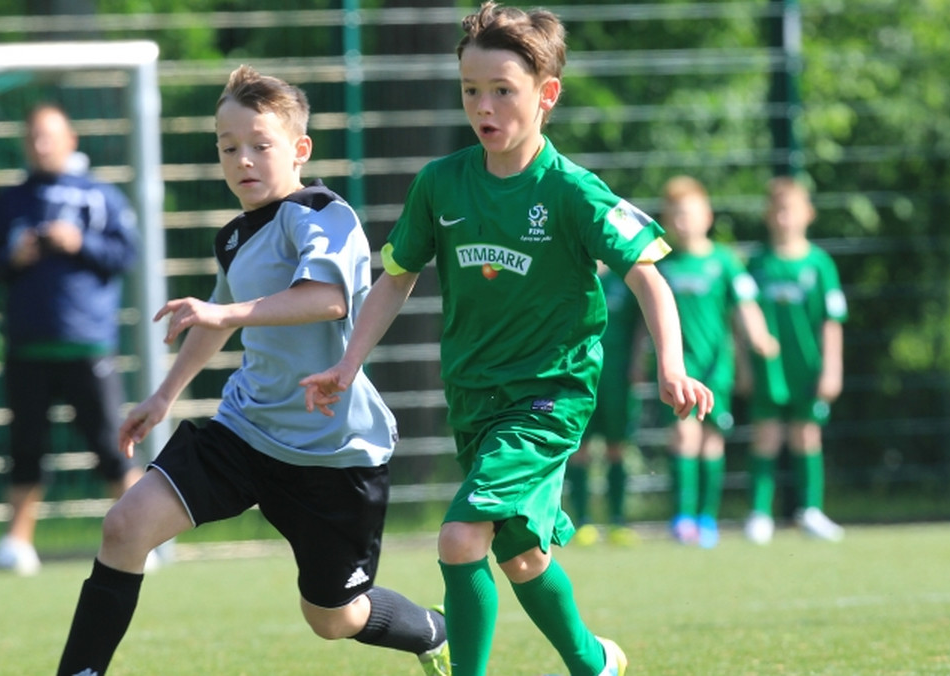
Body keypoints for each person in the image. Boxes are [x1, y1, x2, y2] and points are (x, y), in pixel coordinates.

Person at [301, 4, 713, 675]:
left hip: (548, 396)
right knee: (520, 555)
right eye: (471, 90)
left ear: (546, 96)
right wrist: (347, 365)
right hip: (475, 397)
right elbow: (395, 279)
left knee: (461, 536)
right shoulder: (442, 184)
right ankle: (592, 662)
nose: (483, 107)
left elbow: (648, 278)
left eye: (502, 91)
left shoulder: (572, 191)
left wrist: (671, 363)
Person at [54, 66, 450, 676]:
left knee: (333, 618)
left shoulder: (321, 212)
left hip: (331, 452)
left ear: (299, 149)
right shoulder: (236, 237)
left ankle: (431, 629)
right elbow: (219, 322)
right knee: (124, 527)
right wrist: (163, 397)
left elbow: (327, 298)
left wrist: (221, 309)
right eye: (228, 147)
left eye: (260, 146)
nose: (243, 160)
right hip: (246, 431)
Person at [0, 103, 141, 576]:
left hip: (88, 345)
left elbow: (126, 253)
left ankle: (147, 533)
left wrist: (79, 242)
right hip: (27, 347)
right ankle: (17, 543)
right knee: (25, 447)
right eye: (33, 137)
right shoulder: (10, 201)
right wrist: (15, 255)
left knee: (111, 444)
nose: (41, 145)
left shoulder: (100, 196)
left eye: (49, 136)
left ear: (72, 139)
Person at [655, 176, 778, 548]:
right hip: (679, 367)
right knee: (683, 435)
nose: (682, 222)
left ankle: (706, 518)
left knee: (711, 441)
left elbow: (744, 306)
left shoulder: (725, 262)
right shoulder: (662, 264)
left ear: (707, 216)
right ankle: (682, 517)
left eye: (689, 214)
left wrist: (759, 338)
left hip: (716, 369)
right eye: (674, 215)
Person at [741, 177, 847, 545]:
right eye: (778, 210)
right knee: (766, 435)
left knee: (806, 434)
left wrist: (832, 368)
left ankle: (811, 511)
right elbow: (742, 315)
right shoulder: (756, 261)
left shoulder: (820, 264)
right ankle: (759, 513)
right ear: (768, 216)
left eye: (792, 210)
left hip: (808, 365)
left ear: (808, 214)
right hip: (769, 368)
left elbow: (832, 320)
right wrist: (743, 361)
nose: (784, 218)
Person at [568, 266, 644, 548]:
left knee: (618, 447)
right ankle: (582, 521)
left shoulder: (623, 276)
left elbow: (640, 325)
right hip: (577, 376)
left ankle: (617, 521)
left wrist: (638, 362)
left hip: (617, 377)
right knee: (578, 448)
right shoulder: (571, 270)